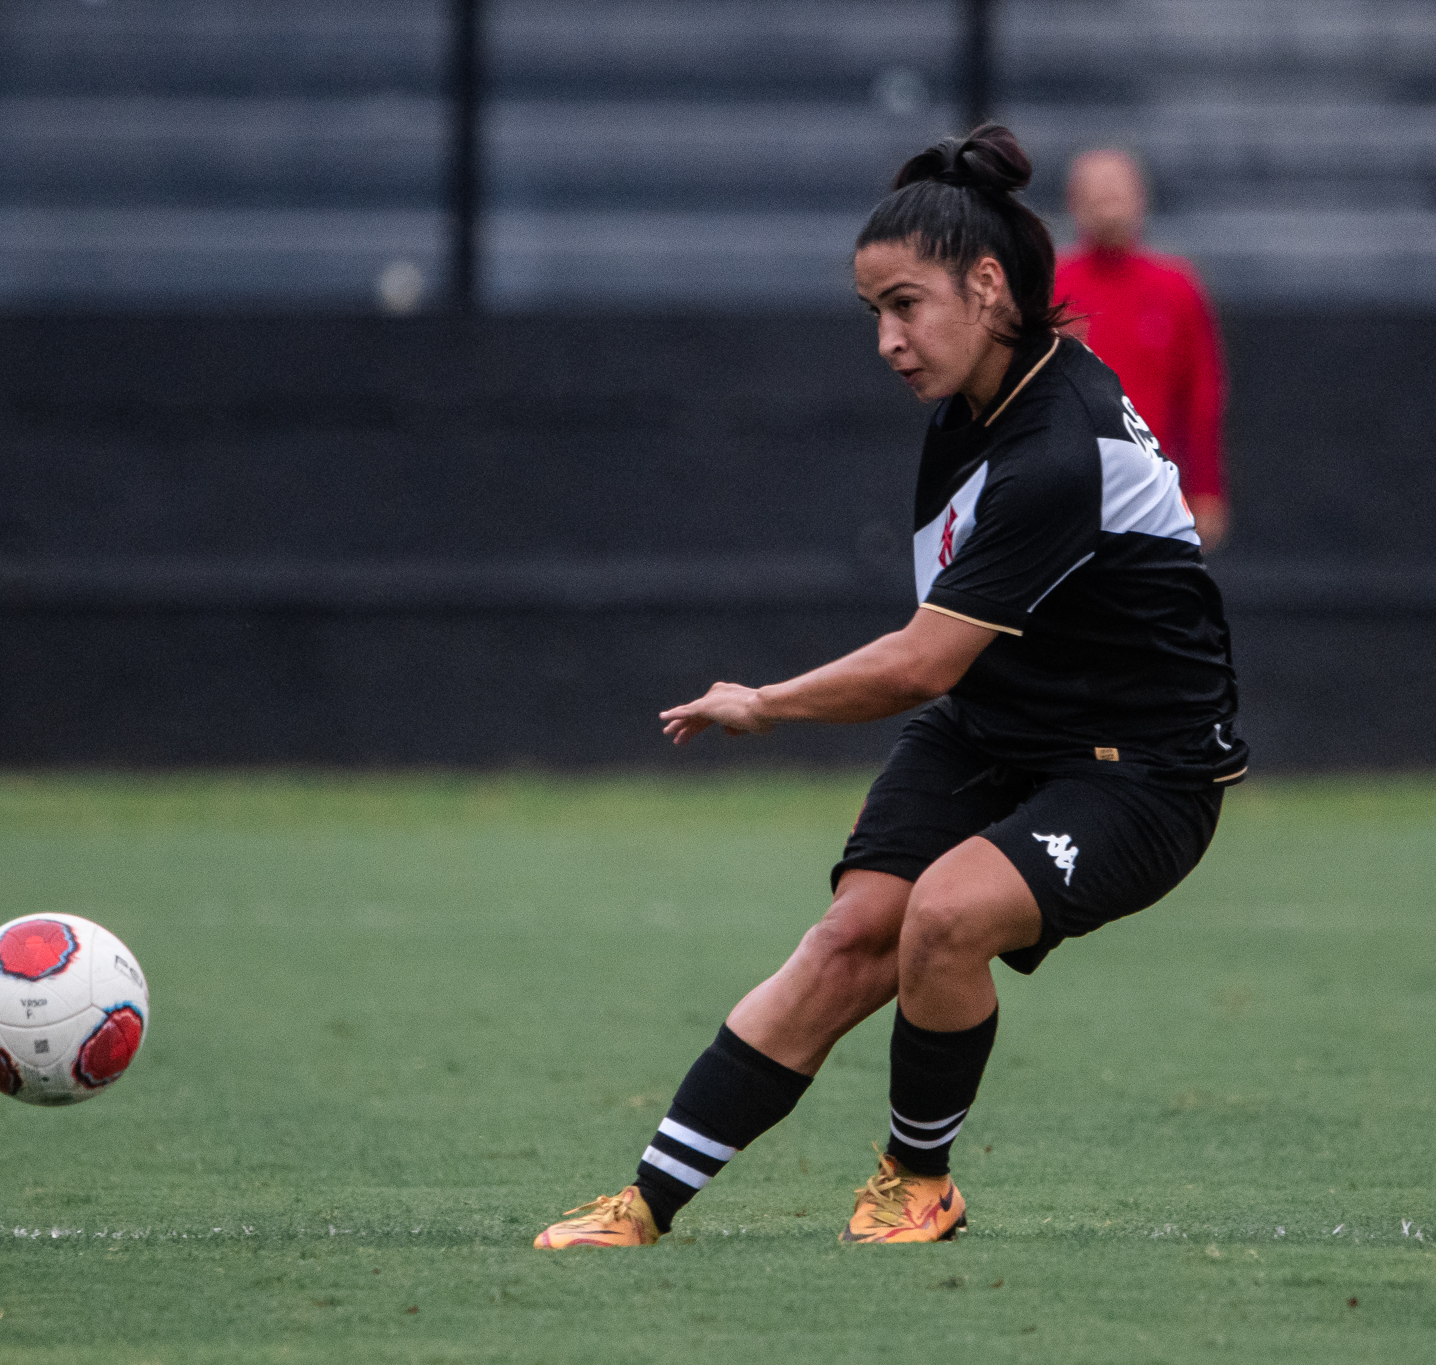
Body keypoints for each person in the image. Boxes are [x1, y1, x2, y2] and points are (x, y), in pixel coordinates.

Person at [532, 125, 1248, 1250]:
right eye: (873, 311)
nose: (887, 340)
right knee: (852, 936)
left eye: (905, 306)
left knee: (945, 917)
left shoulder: (1055, 449)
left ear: (986, 286)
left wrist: (763, 702)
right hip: (997, 727)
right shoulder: (973, 406)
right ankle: (646, 1205)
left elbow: (920, 662)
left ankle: (919, 1182)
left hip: (1141, 772)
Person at [1056, 149, 1230, 550]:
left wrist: (1206, 488)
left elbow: (1202, 397)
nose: (1107, 200)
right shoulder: (1049, 285)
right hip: (1065, 493)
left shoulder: (1177, 287)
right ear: (1074, 202)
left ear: (1141, 198)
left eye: (1117, 190)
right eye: (1095, 192)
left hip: (1153, 494)